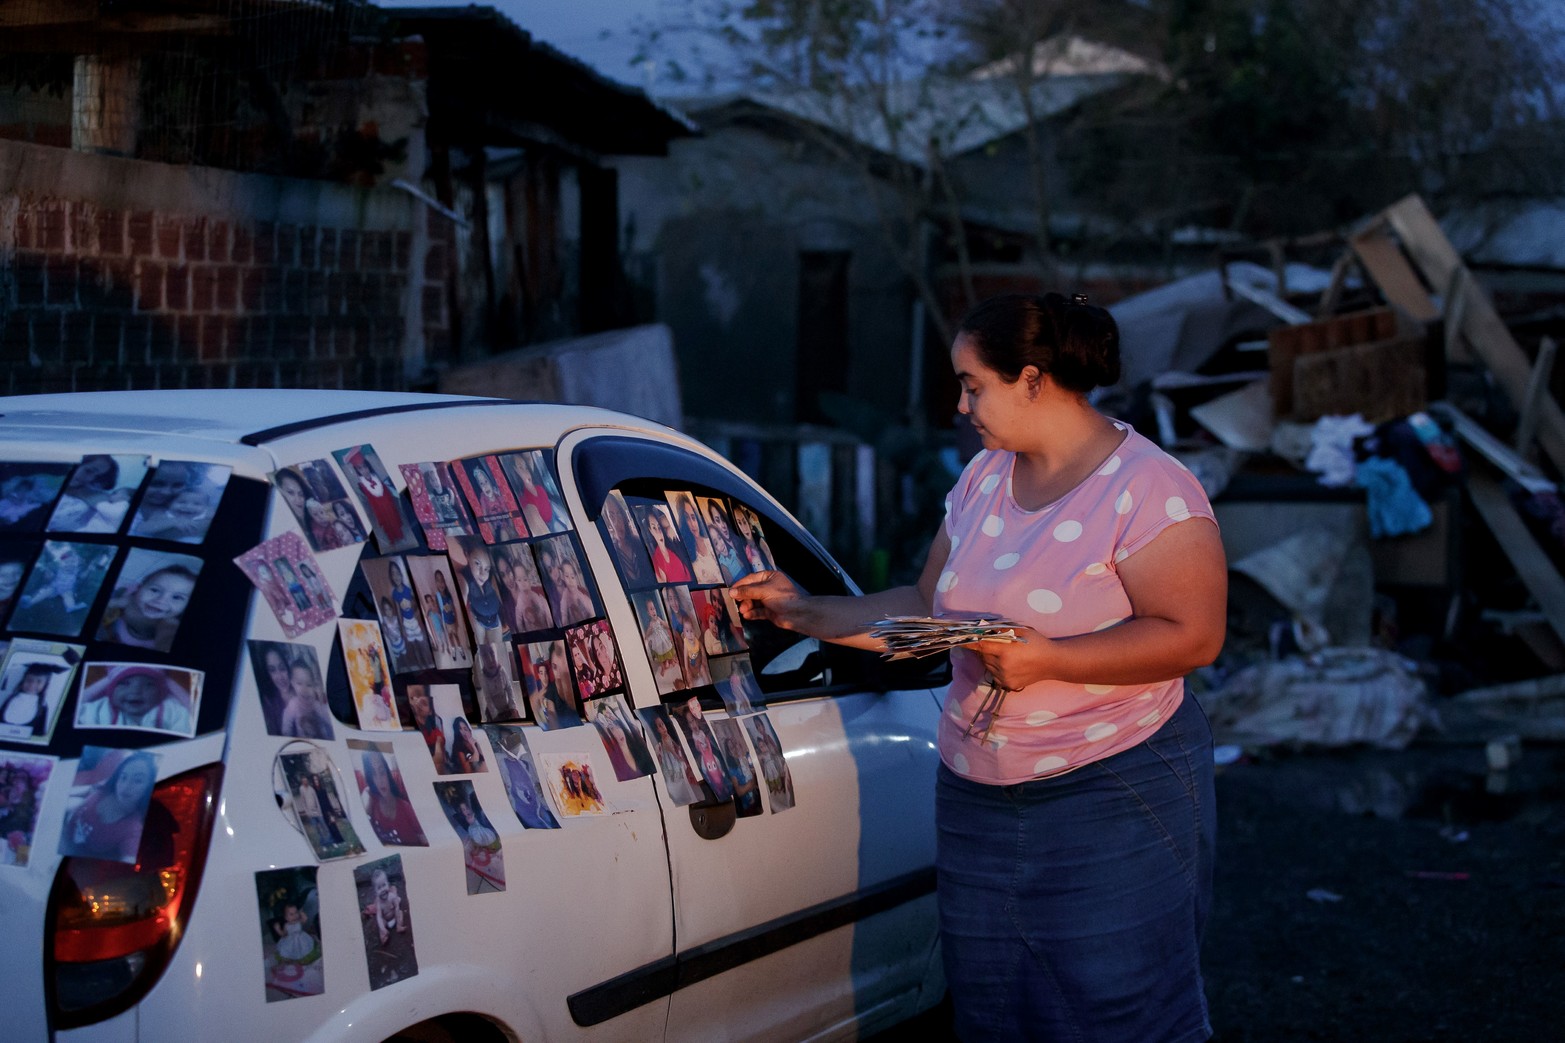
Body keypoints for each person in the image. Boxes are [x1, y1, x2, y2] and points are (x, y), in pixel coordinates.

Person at [732, 291, 1226, 1043]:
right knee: (996, 1003)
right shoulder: (983, 478)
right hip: (976, 794)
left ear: (1030, 378)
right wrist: (804, 611)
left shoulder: (1149, 488)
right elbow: (929, 606)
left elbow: (1194, 635)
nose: (962, 405)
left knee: (1117, 1006)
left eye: (972, 384)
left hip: (1112, 788)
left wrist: (1051, 659)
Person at [62, 751, 157, 862]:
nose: (125, 786)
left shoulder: (133, 830)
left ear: (149, 787)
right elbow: (88, 789)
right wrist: (59, 795)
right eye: (123, 777)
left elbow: (129, 858)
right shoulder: (108, 787)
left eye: (138, 780)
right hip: (63, 823)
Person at [96, 562, 196, 652]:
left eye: (177, 597)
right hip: (117, 634)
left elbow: (167, 637)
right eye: (154, 590)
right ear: (139, 589)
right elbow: (107, 604)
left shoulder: (169, 621)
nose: (161, 600)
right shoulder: (130, 601)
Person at [77, 665, 192, 733]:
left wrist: (169, 682)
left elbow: (191, 714)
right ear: (110, 691)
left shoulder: (172, 709)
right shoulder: (100, 708)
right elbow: (76, 710)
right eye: (125, 683)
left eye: (149, 685)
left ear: (160, 693)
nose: (136, 691)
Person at [359, 748, 424, 846]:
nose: (380, 780)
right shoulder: (370, 799)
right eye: (373, 774)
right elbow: (361, 825)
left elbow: (424, 840)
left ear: (387, 772)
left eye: (381, 772)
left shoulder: (405, 808)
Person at [0, 661, 67, 738]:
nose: (32, 685)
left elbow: (40, 732)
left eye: (39, 681)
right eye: (29, 680)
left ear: (45, 685)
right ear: (23, 681)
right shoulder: (9, 699)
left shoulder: (42, 706)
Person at [281, 657, 334, 740]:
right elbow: (286, 724)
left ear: (314, 687)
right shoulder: (293, 705)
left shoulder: (316, 705)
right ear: (292, 683)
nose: (304, 689)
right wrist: (286, 735)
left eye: (309, 685)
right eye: (299, 683)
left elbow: (330, 719)